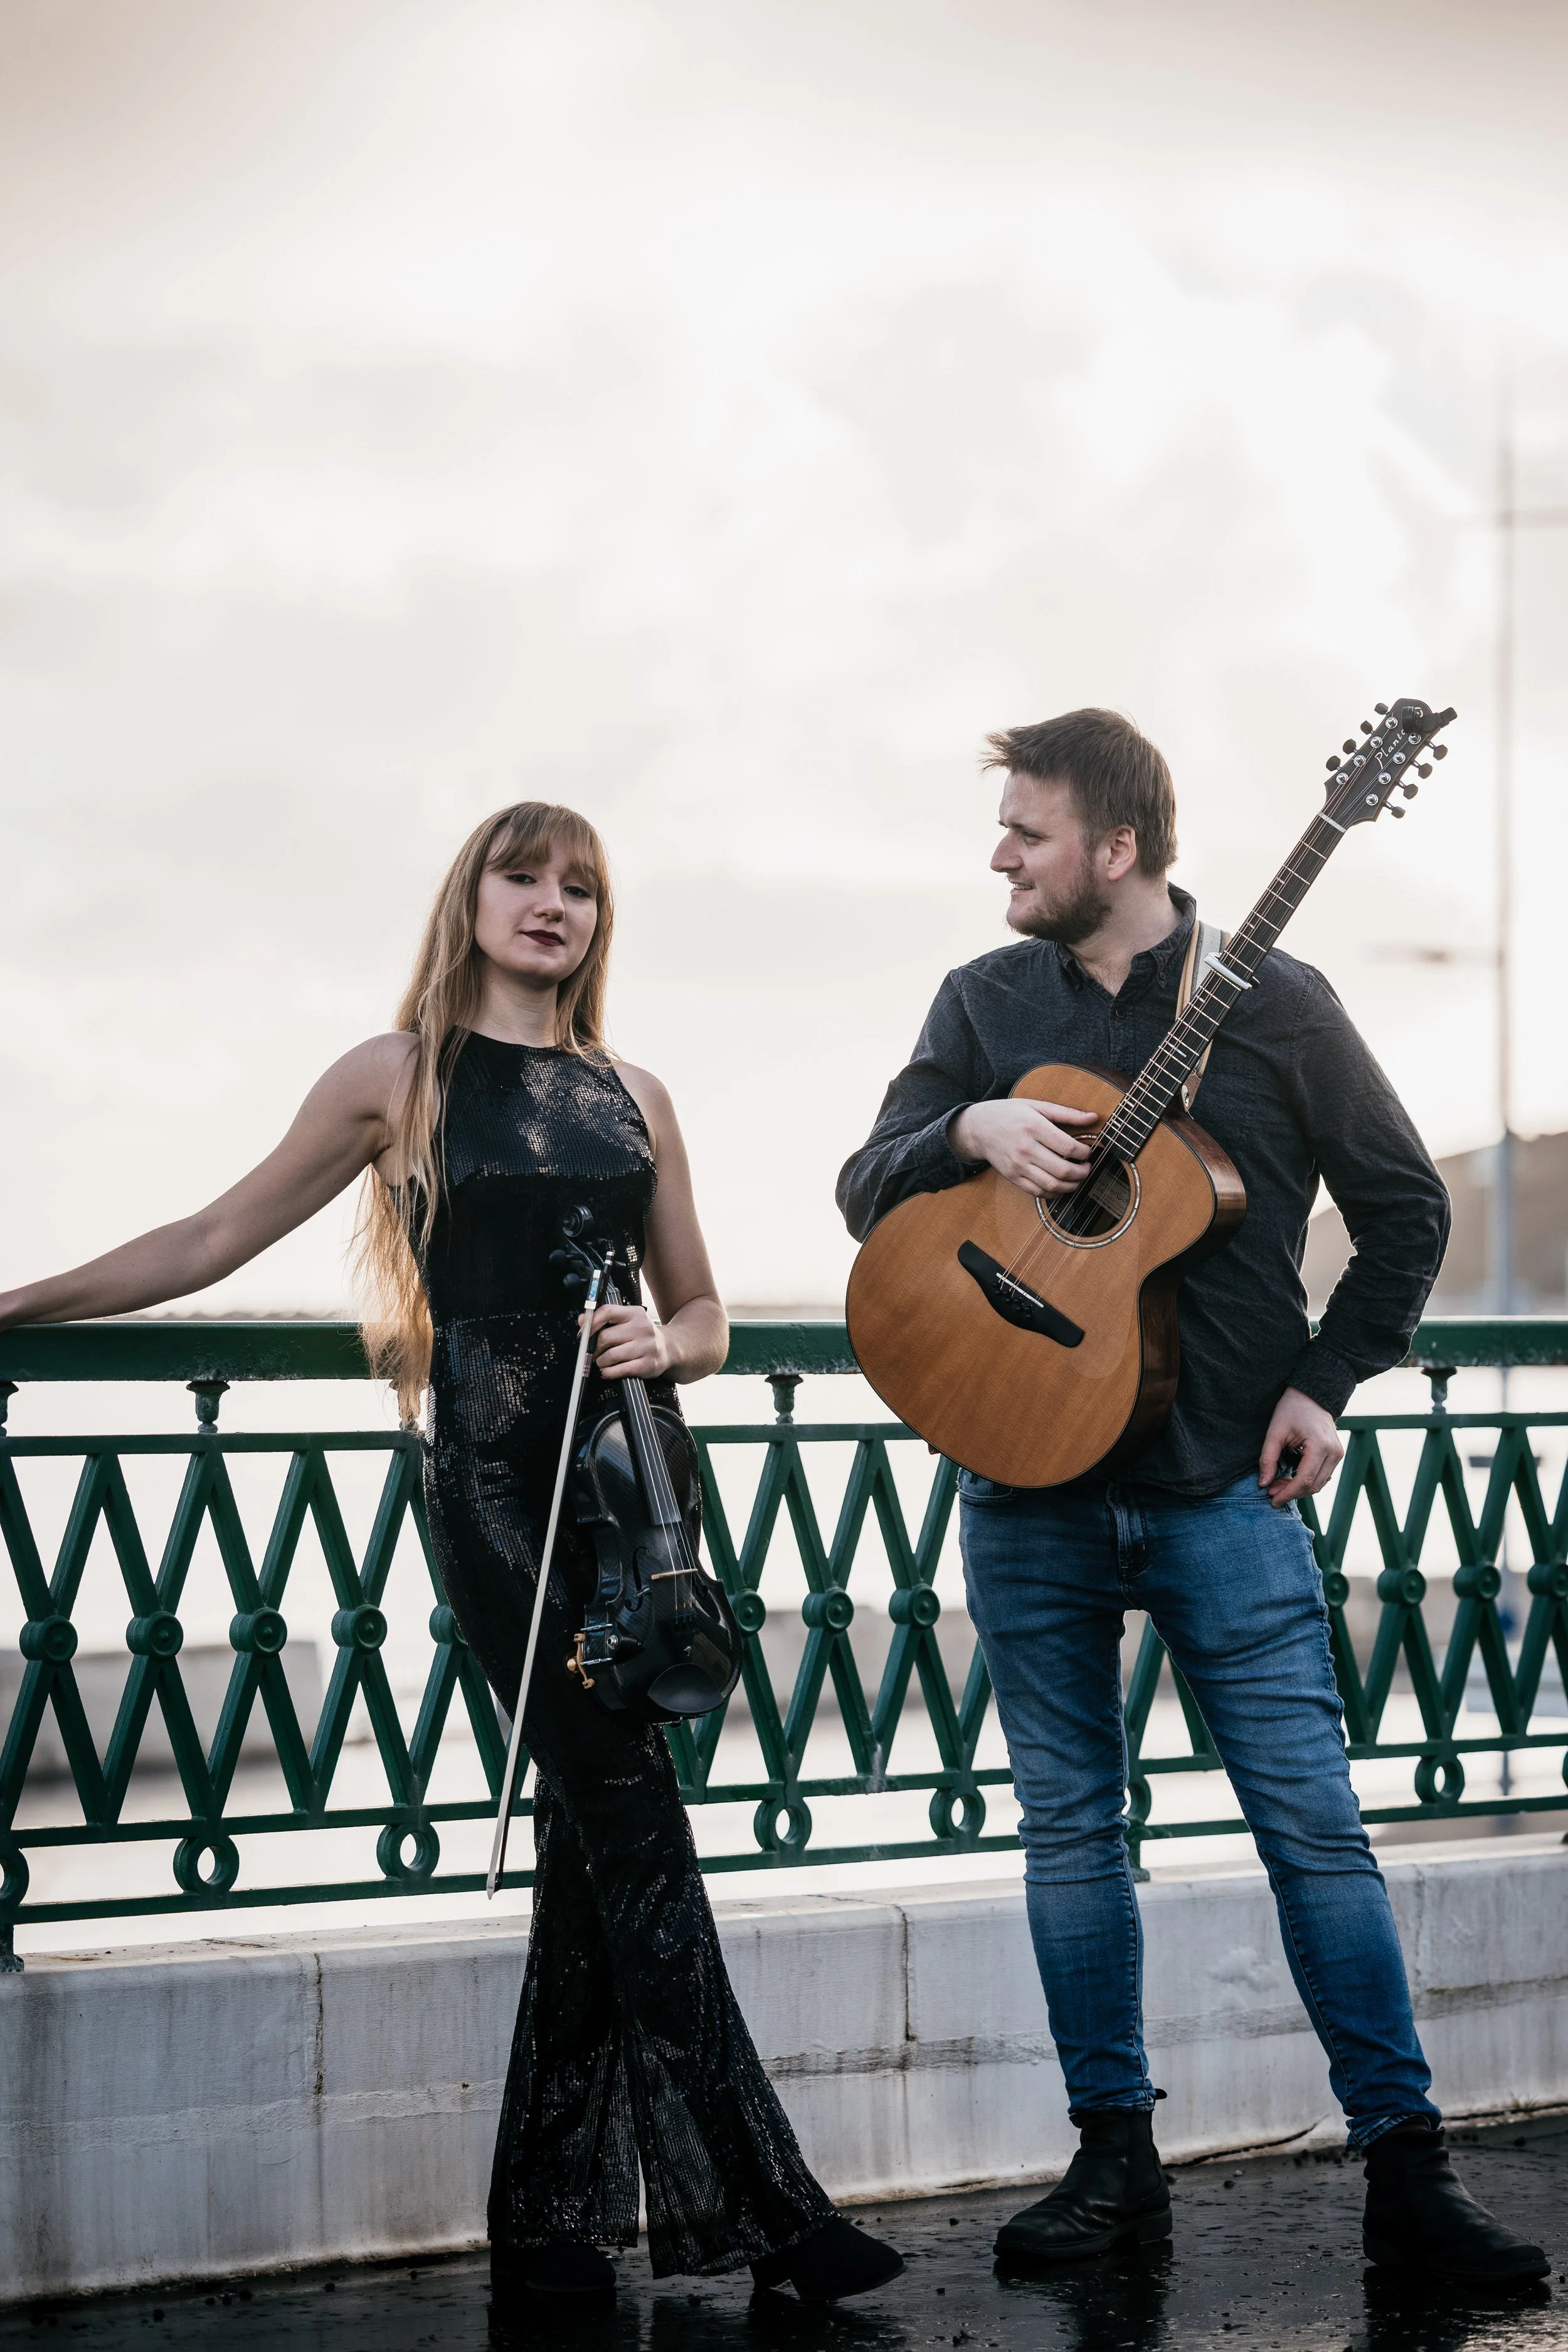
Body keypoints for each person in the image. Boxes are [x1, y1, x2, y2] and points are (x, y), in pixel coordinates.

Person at [0, 800, 903, 2310]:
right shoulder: (396, 1077)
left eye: (579, 887)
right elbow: (211, 1236)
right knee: (634, 1820)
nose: (551, 903)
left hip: (633, 1489)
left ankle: (548, 2225)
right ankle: (766, 2212)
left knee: (594, 1844)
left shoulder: (635, 1092)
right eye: (521, 876)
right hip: (492, 1488)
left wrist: (665, 1343)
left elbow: (704, 1312)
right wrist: (18, 1305)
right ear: (469, 898)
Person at [837, 710, 1547, 2285]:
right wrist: (967, 1127)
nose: (999, 857)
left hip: (1222, 1484)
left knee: (1313, 1833)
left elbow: (1403, 1209)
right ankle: (1112, 2165)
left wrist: (1324, 1382)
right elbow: (863, 1180)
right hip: (1018, 1483)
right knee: (1068, 1836)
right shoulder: (985, 1002)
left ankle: (1407, 2171)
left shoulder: (1280, 1007)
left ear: (1118, 847)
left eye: (1027, 831)